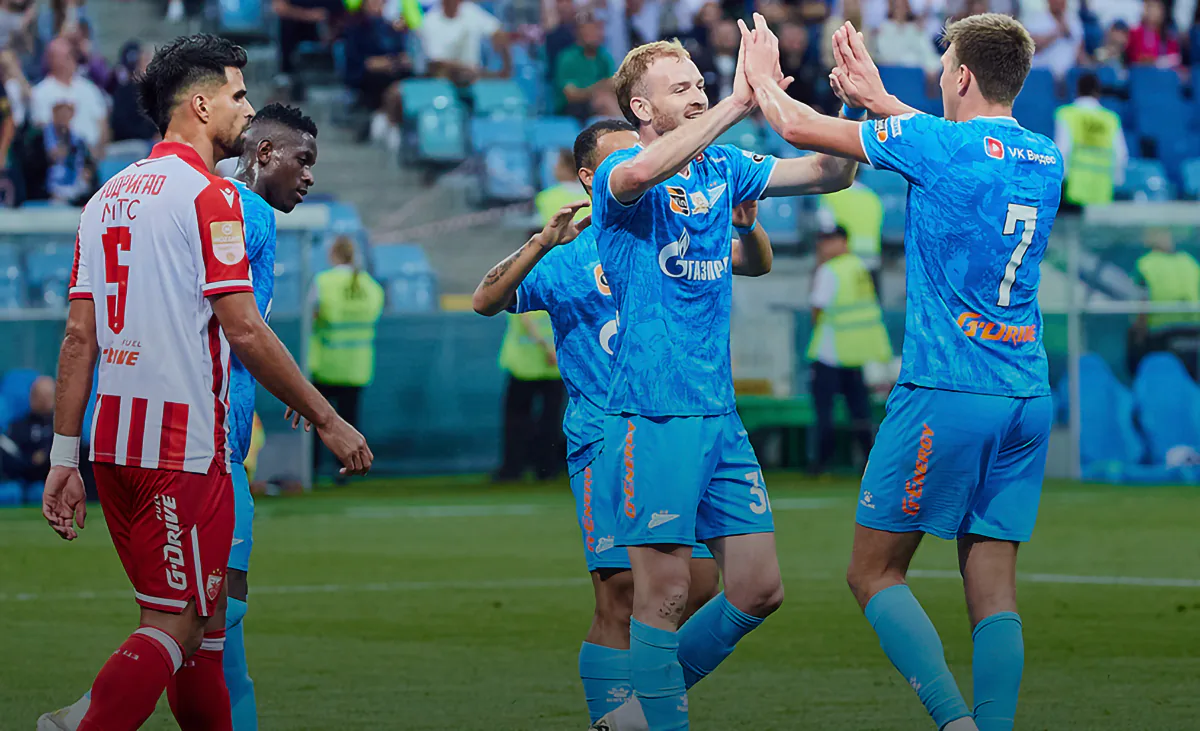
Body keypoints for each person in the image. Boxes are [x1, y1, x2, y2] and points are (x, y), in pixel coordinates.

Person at [740, 12, 1062, 730]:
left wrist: (760, 77)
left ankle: (954, 721)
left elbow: (795, 127)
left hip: (948, 389)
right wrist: (879, 99)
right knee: (994, 588)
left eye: (944, 67)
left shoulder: (936, 144)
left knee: (873, 571)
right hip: (1026, 393)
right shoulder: (1046, 155)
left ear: (962, 75)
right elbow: (951, 142)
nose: (940, 78)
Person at [39, 34, 369, 731]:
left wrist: (64, 457)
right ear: (200, 104)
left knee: (204, 636)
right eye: (238, 96)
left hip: (112, 443)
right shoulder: (213, 198)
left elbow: (77, 338)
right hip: (183, 447)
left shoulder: (103, 199)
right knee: (180, 625)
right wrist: (327, 417)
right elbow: (244, 328)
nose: (247, 111)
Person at [582, 33, 858, 731]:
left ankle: (635, 714)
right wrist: (740, 101)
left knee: (759, 588)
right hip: (653, 412)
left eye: (701, 83)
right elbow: (641, 174)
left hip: (718, 414)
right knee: (665, 593)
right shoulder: (620, 170)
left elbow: (830, 173)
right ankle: (655, 719)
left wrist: (852, 106)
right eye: (681, 87)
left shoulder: (724, 166)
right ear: (640, 107)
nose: (699, 93)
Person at [474, 118, 779, 724]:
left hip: (676, 426)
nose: (642, 164)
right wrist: (540, 243)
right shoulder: (568, 256)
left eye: (642, 153)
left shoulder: (675, 231)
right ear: (590, 178)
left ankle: (633, 714)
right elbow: (486, 299)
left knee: (700, 584)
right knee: (621, 594)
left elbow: (755, 263)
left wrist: (748, 223)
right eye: (622, 158)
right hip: (603, 432)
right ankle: (627, 712)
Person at [806, 224, 892, 475]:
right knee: (860, 412)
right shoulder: (860, 267)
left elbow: (817, 308)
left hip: (830, 351)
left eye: (828, 240)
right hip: (858, 352)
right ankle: (870, 463)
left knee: (825, 411)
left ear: (843, 242)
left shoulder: (829, 270)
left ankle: (821, 463)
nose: (823, 246)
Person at [310, 236, 385, 482]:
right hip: (357, 365)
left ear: (332, 254)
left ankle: (312, 470)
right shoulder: (371, 286)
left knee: (317, 420)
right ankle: (346, 471)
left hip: (326, 363)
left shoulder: (323, 282)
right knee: (350, 421)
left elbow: (312, 316)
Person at [493, 308, 566, 481]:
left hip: (525, 365)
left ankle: (514, 469)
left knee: (519, 420)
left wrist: (546, 348)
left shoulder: (521, 291)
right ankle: (546, 469)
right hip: (551, 365)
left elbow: (525, 319)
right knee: (550, 419)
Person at [1054, 71, 1125, 209]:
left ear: (1077, 90)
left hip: (1074, 188)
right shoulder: (1111, 119)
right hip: (1103, 189)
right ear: (1098, 92)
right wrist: (1116, 182)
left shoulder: (1066, 114)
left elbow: (1063, 149)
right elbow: (1121, 155)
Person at [29, 36, 108, 154]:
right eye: (67, 56)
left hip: (95, 156)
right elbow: (45, 130)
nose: (72, 59)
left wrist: (98, 151)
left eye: (72, 55)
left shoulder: (89, 88)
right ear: (52, 60)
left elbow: (102, 122)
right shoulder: (40, 92)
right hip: (66, 157)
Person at [420, 0, 510, 86]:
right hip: (444, 80)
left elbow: (497, 31)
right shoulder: (430, 21)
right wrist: (467, 69)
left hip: (473, 78)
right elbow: (436, 62)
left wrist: (506, 67)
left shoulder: (471, 11)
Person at [1, 376, 55, 498]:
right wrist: (30, 461)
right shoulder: (17, 427)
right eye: (39, 395)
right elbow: (10, 454)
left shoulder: (63, 427)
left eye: (48, 395)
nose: (43, 400)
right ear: (32, 397)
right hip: (24, 478)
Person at [554, 15, 616, 118]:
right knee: (603, 101)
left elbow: (613, 85)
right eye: (589, 31)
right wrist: (596, 89)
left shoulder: (604, 57)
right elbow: (570, 95)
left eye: (596, 30)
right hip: (573, 107)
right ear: (579, 33)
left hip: (601, 102)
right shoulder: (568, 58)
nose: (594, 34)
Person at [1025, 0, 1085, 80]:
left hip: (1069, 77)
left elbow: (1079, 50)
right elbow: (1032, 47)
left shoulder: (1073, 19)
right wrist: (1057, 33)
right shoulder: (1036, 19)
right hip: (1042, 76)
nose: (1059, 2)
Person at [1125, 0, 1180, 68]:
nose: (1153, 11)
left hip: (1161, 73)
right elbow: (1133, 57)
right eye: (1150, 7)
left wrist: (1156, 61)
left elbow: (1175, 59)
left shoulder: (1169, 37)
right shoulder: (1134, 33)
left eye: (1157, 8)